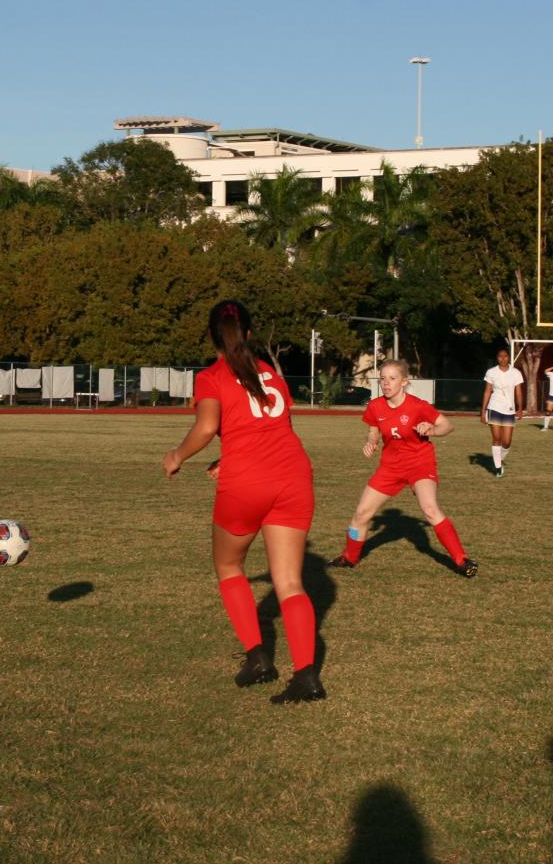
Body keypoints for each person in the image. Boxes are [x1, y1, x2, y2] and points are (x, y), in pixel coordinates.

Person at [161, 299, 325, 704]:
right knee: (290, 582)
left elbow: (208, 425)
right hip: (294, 476)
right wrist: (228, 453)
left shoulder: (212, 376)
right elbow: (270, 426)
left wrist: (177, 456)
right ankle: (305, 676)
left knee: (229, 565)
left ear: (212, 337)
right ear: (249, 335)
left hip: (248, 482)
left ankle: (258, 658)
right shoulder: (268, 372)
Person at [328, 359, 477, 577]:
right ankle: (349, 558)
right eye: (382, 378)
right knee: (361, 514)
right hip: (390, 467)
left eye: (392, 378)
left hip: (419, 463)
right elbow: (373, 429)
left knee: (429, 509)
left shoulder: (418, 406)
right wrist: (372, 441)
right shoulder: (375, 405)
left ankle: (461, 560)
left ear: (404, 382)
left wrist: (431, 430)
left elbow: (447, 425)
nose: (386, 383)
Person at [480, 348, 525, 477]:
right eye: (500, 356)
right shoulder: (491, 372)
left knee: (506, 442)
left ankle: (499, 459)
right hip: (494, 408)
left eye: (505, 356)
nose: (503, 358)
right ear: (497, 358)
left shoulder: (516, 373)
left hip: (509, 410)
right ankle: (498, 468)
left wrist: (520, 408)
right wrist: (483, 411)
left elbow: (518, 392)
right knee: (496, 438)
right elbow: (487, 391)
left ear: (508, 358)